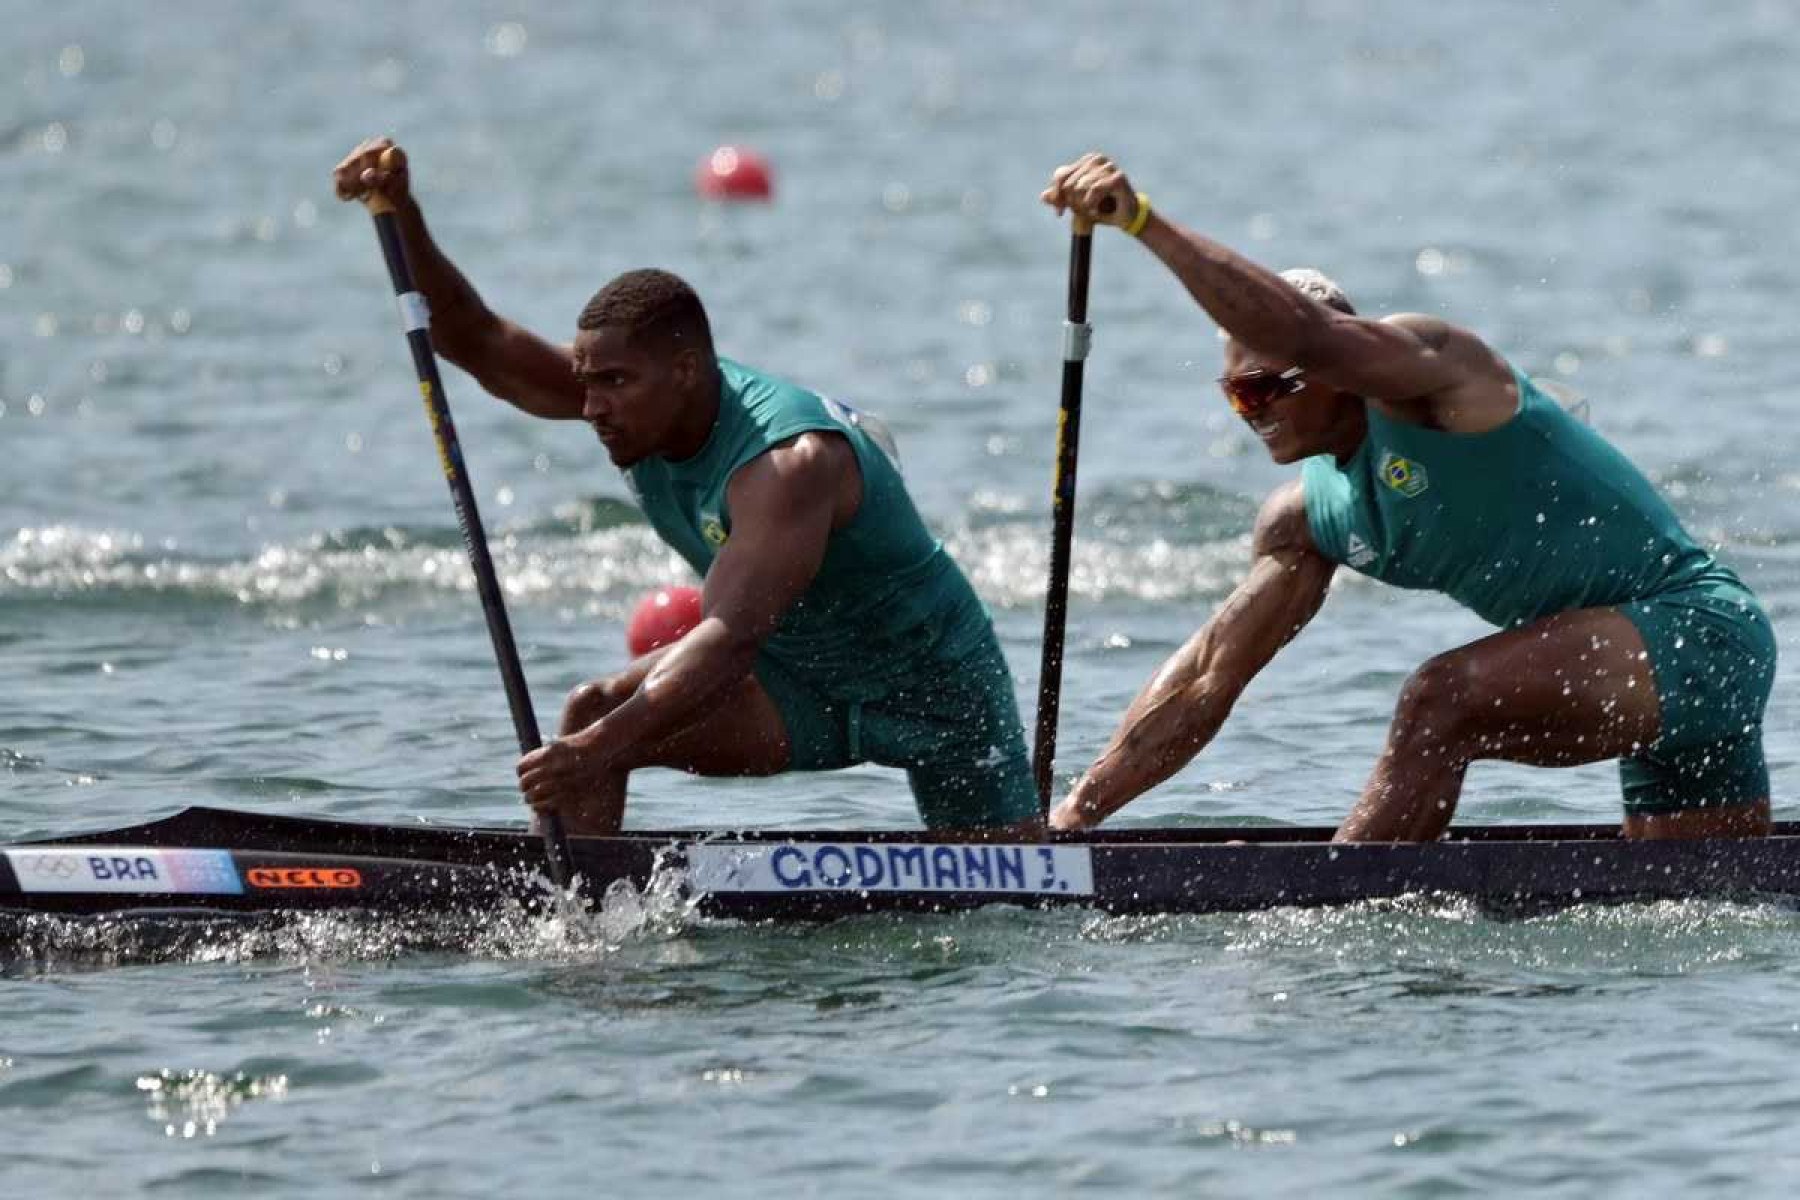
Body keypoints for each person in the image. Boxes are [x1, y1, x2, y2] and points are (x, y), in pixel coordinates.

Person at [1039, 152, 1775, 843]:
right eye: (1237, 395)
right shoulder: (1306, 519)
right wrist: (1072, 821)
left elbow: (1304, 330)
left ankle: (1339, 917)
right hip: (1616, 661)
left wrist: (1143, 223)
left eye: (1268, 387)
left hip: (1698, 632)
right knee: (1698, 896)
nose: (1254, 410)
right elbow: (1208, 678)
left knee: (1438, 700)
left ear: (1340, 368)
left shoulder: (1439, 381)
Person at [333, 137, 1040, 838]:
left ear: (686, 371)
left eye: (612, 383)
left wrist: (594, 754)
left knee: (1014, 887)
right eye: (586, 383)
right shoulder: (636, 411)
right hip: (797, 680)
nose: (590, 408)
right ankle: (579, 924)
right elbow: (480, 340)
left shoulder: (787, 465)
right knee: (592, 708)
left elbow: (728, 640)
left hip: (936, 690)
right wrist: (401, 215)